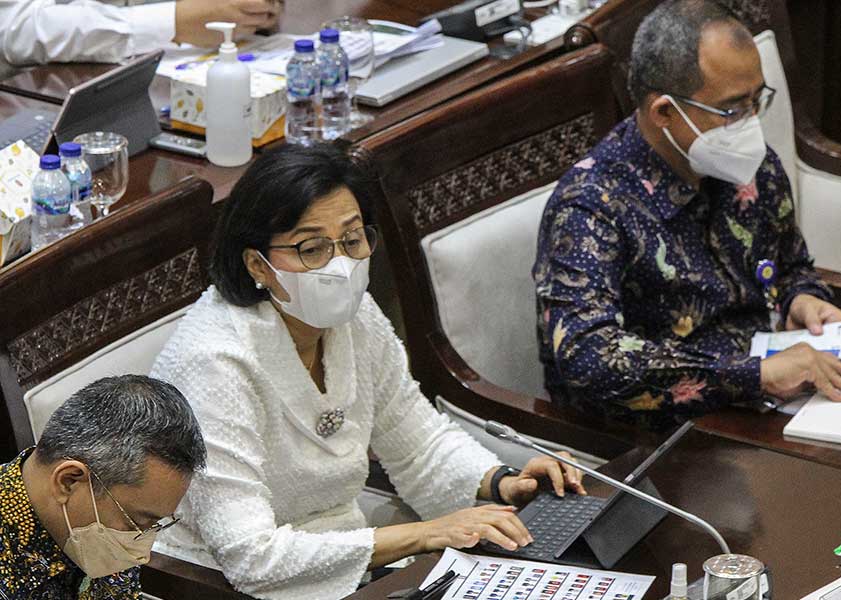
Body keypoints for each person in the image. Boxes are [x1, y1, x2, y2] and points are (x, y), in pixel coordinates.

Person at [150, 143, 586, 599]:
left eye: (353, 240)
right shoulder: (214, 362)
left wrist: (503, 482)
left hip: (346, 559)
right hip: (218, 583)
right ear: (258, 264)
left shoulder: (355, 316)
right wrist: (426, 534)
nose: (341, 266)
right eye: (312, 248)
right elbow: (251, 557)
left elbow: (419, 445)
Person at [532, 0, 841, 431]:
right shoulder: (591, 205)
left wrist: (801, 299)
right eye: (732, 110)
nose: (750, 123)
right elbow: (589, 359)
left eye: (756, 100)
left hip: (772, 406)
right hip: (660, 437)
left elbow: (789, 265)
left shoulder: (748, 164)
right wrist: (756, 375)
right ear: (664, 112)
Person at [0, 374, 207, 598]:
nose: (143, 555)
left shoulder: (104, 522)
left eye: (152, 525)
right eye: (137, 523)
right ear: (68, 481)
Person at [0, 0, 282, 79]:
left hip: (178, 73)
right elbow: (17, 28)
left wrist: (253, 10)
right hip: (43, 94)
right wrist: (174, 21)